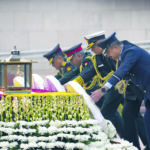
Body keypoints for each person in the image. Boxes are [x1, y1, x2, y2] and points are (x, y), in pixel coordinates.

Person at [92, 32, 150, 149]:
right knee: (143, 119)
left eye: (107, 52)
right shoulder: (124, 56)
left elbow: (120, 73)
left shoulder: (131, 52)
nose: (107, 56)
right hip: (147, 94)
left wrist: (103, 90)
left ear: (115, 47)